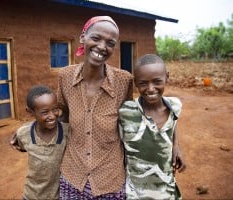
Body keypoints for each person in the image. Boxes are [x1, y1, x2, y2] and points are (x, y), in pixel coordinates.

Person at [57, 16, 133, 199]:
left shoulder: (124, 81)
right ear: (83, 37)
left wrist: (174, 143)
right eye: (96, 38)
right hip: (72, 176)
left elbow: (135, 119)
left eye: (110, 43)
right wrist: (28, 132)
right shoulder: (65, 76)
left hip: (110, 180)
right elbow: (60, 115)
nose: (101, 47)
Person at [118, 54, 186, 199]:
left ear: (167, 77)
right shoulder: (126, 112)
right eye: (143, 83)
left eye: (157, 81)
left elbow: (173, 124)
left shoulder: (175, 106)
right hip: (135, 193)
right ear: (135, 82)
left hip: (166, 189)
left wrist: (176, 145)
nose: (150, 89)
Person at [10, 85, 69, 200]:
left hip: (58, 196)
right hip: (32, 195)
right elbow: (21, 146)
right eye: (44, 112)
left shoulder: (67, 131)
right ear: (30, 112)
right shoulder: (23, 134)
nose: (52, 116)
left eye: (55, 109)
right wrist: (20, 132)